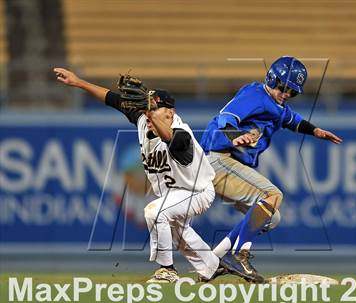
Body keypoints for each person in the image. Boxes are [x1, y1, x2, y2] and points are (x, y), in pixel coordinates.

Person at [54, 68, 231, 283]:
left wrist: (149, 112)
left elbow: (169, 138)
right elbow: (113, 99)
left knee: (155, 212)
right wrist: (80, 83)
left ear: (170, 113)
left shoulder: (181, 134)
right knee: (179, 234)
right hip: (174, 193)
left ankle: (167, 270)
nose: (147, 112)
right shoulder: (142, 119)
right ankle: (212, 267)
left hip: (197, 192)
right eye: (146, 107)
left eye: (154, 108)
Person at [200, 56, 343, 283]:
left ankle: (214, 261)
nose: (286, 93)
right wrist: (235, 135)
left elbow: (291, 120)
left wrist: (314, 131)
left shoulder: (276, 105)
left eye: (292, 92)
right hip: (216, 158)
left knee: (270, 218)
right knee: (272, 195)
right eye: (283, 87)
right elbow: (226, 118)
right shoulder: (255, 95)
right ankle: (239, 255)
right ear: (271, 78)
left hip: (223, 162)